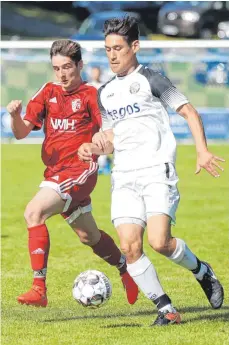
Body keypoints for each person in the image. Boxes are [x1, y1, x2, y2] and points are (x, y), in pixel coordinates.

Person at [77, 16, 225, 326]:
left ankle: (202, 271)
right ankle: (167, 311)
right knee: (130, 246)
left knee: (160, 243)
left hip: (158, 170)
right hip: (124, 176)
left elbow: (189, 111)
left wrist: (201, 150)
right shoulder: (104, 93)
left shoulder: (152, 79)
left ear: (135, 46)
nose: (112, 55)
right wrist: (95, 146)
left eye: (118, 48)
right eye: (107, 49)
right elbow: (111, 138)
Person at [6, 39, 138, 308]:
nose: (62, 74)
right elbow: (20, 133)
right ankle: (128, 270)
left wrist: (98, 148)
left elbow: (112, 133)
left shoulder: (93, 95)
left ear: (80, 65)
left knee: (34, 212)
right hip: (54, 173)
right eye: (56, 68)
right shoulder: (47, 91)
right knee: (88, 236)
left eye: (67, 67)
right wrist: (15, 116)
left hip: (80, 171)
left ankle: (38, 288)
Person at [89, 66, 112, 175]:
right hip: (92, 118)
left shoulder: (104, 86)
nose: (95, 74)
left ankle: (103, 164)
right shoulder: (88, 86)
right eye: (93, 72)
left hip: (103, 117)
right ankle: (98, 163)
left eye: (96, 72)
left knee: (104, 139)